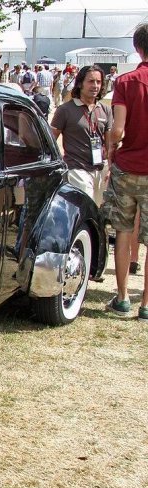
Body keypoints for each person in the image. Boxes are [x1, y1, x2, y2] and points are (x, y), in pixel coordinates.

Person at [104, 23, 148, 319]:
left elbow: (117, 129)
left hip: (128, 166)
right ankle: (146, 304)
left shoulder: (126, 81)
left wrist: (110, 148)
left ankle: (122, 297)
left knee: (122, 230)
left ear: (137, 47)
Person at [50, 65, 111, 207]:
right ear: (80, 83)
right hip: (77, 170)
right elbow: (51, 140)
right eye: (91, 81)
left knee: (99, 211)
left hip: (101, 170)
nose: (95, 86)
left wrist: (112, 167)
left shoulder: (105, 110)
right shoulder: (65, 110)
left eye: (98, 82)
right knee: (85, 208)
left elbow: (110, 144)